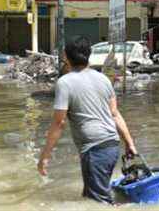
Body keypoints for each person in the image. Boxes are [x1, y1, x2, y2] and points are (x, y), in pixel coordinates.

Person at [37, 36, 137, 204]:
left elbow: (59, 123)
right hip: (112, 146)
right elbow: (115, 114)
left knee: (99, 203)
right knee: (91, 198)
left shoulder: (65, 82)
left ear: (66, 58)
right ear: (88, 55)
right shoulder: (103, 79)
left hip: (94, 149)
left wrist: (45, 157)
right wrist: (129, 143)